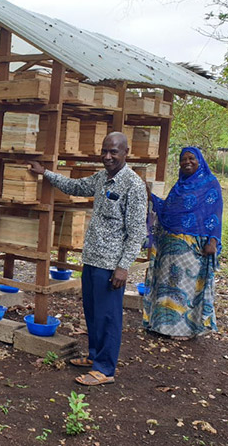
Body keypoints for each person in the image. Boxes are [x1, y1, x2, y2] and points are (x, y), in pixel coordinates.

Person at [28, 132, 147, 386]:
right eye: (104, 151)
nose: (107, 157)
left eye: (113, 152)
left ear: (126, 153)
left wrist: (123, 267)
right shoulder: (102, 178)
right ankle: (95, 357)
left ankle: (105, 369)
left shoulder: (134, 186)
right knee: (92, 312)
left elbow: (137, 231)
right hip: (92, 259)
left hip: (111, 265)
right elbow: (76, 187)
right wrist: (45, 173)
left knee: (108, 316)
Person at [143, 147, 222, 340]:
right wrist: (150, 196)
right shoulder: (179, 186)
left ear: (200, 161)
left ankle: (185, 330)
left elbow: (216, 214)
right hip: (169, 247)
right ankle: (162, 325)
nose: (187, 162)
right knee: (167, 286)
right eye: (183, 159)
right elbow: (167, 211)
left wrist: (213, 240)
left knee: (186, 287)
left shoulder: (210, 184)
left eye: (191, 158)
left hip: (193, 248)